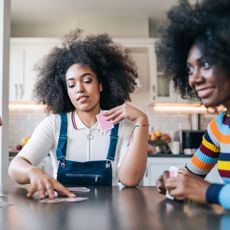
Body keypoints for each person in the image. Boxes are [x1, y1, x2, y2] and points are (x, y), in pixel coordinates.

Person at [8, 29, 148, 199]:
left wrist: (142, 121)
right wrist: (32, 171)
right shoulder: (54, 124)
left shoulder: (122, 125)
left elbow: (129, 180)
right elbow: (15, 167)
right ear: (64, 90)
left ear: (101, 85)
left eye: (87, 80)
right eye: (71, 84)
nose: (80, 89)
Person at [155, 0, 230, 209]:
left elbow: (201, 188)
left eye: (204, 64)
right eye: (189, 69)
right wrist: (174, 181)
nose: (193, 79)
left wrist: (207, 191)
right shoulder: (219, 128)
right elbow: (191, 173)